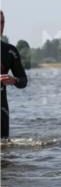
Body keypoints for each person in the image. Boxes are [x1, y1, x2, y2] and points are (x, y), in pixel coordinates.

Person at [1, 10, 28, 139]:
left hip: (2, 109)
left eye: (2, 23)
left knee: (4, 146)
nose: (0, 26)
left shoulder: (10, 51)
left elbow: (23, 80)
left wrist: (13, 80)